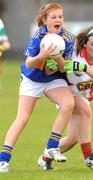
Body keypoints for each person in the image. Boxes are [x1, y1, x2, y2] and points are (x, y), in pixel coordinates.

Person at [0, 3, 75, 173]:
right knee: (23, 118)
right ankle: (3, 160)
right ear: (45, 20)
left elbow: (62, 68)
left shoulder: (68, 37)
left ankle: (51, 147)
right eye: (53, 17)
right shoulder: (38, 36)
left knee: (68, 104)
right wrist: (42, 55)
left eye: (60, 16)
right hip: (32, 79)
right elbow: (29, 62)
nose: (58, 20)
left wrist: (56, 57)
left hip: (53, 79)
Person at [38, 26, 93, 170]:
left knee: (73, 139)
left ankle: (44, 158)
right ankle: (88, 155)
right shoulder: (73, 51)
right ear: (84, 43)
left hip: (82, 95)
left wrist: (83, 67)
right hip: (66, 93)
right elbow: (54, 69)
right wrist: (53, 65)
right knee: (85, 111)